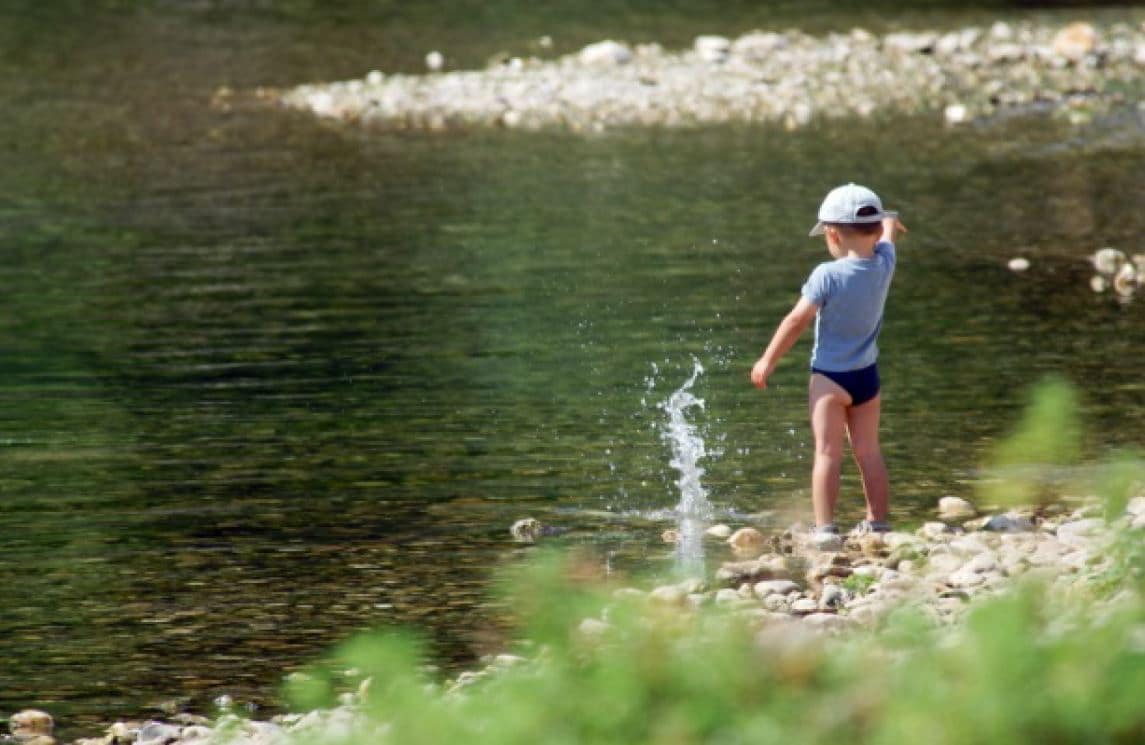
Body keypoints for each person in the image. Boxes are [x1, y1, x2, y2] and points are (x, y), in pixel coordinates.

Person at [749, 183, 907, 539]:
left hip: (829, 380)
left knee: (827, 453)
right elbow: (887, 234)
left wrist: (767, 359)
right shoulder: (885, 263)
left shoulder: (828, 274)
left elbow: (796, 320)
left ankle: (824, 529)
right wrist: (891, 222)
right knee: (868, 452)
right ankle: (878, 522)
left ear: (833, 234)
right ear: (874, 228)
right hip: (867, 376)